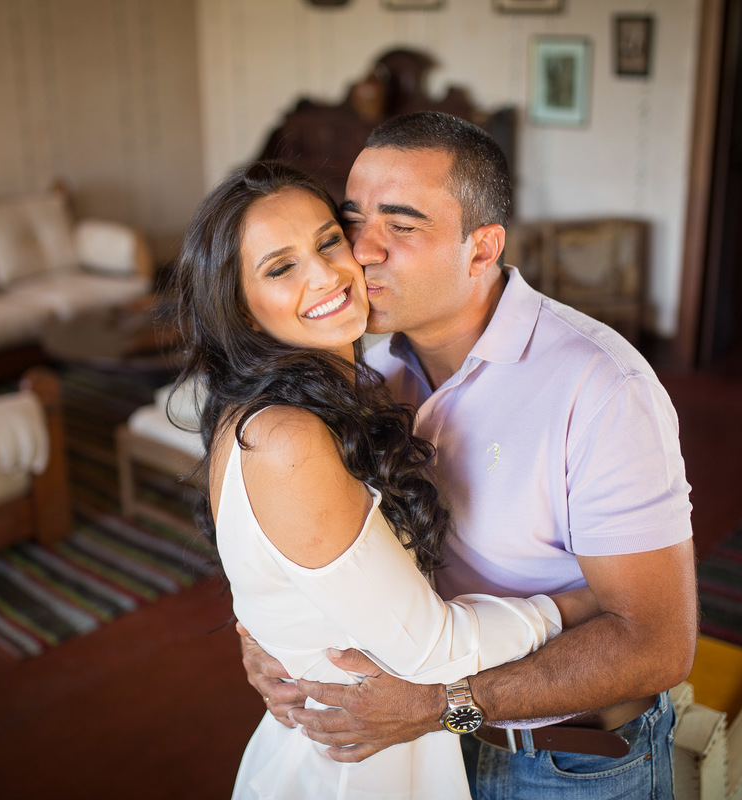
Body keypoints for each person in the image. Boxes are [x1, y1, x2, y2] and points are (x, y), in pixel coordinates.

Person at [240, 112, 697, 799]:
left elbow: (657, 645)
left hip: (561, 763)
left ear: (482, 248)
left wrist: (438, 706)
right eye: (352, 219)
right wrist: (262, 632)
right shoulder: (358, 366)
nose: (359, 252)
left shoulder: (602, 387)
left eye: (401, 227)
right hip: (417, 753)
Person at [168, 160, 604, 799]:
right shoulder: (286, 437)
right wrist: (581, 604)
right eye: (281, 267)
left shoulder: (352, 386)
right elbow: (429, 651)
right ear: (241, 308)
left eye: (326, 241)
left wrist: (268, 635)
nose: (326, 274)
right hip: (353, 773)